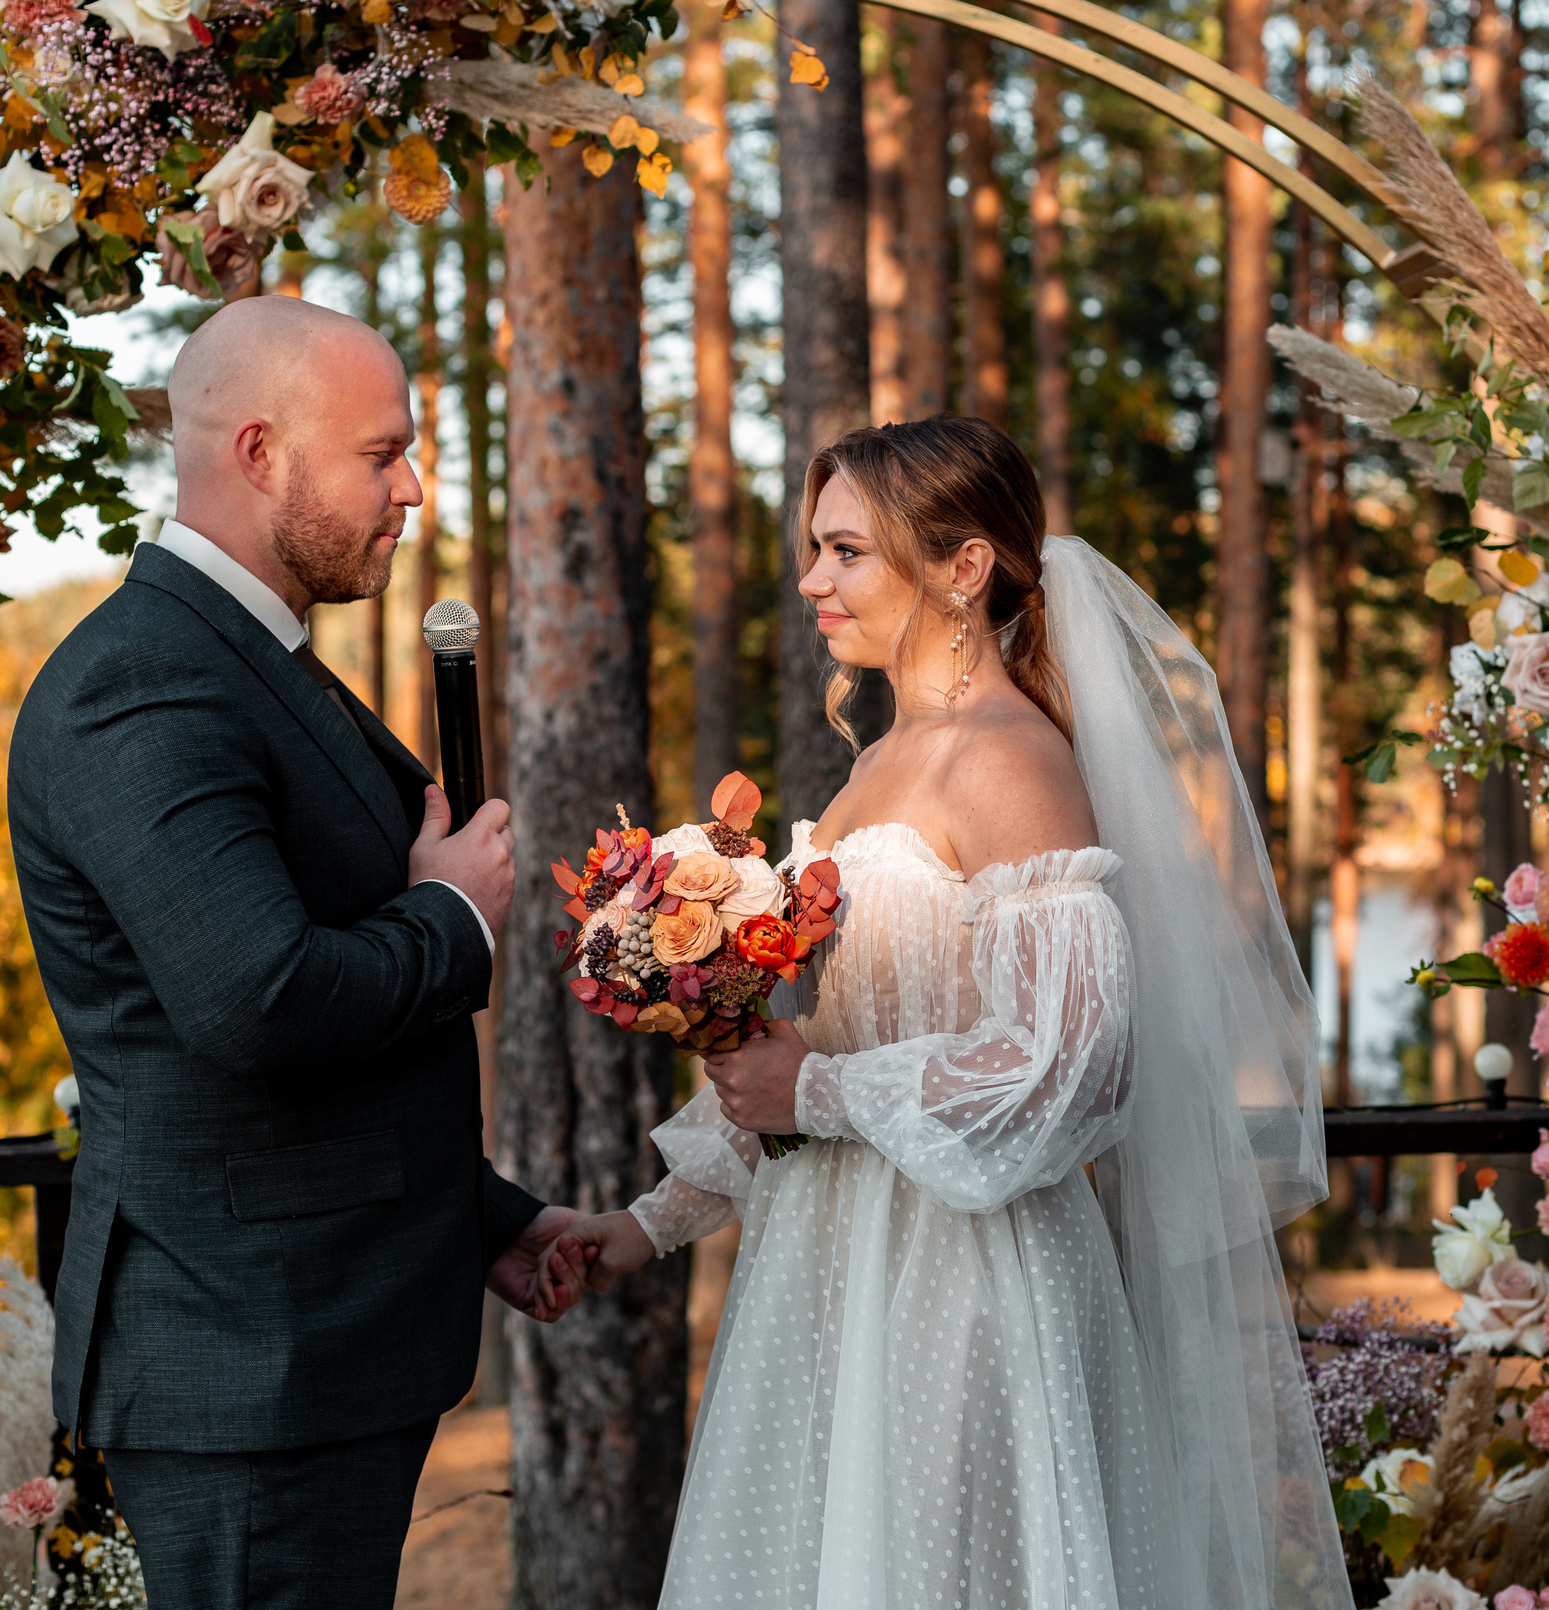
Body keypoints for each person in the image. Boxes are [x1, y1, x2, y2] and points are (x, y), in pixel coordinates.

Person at [550, 417, 1346, 1608]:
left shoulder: (1008, 764)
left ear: (962, 567)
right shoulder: (880, 764)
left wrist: (814, 1093)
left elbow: (1073, 1065)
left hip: (961, 1276)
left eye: (847, 552)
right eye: (816, 551)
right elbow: (823, 1045)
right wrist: (642, 1226)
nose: (813, 580)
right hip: (828, 1268)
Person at [7, 295, 586, 1609]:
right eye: (382, 455)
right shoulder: (146, 682)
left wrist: (482, 1217)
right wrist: (453, 911)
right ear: (261, 452)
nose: (415, 490)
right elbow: (260, 1001)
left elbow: (293, 1059)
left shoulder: (247, 657)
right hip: (251, 1362)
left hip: (314, 1336)